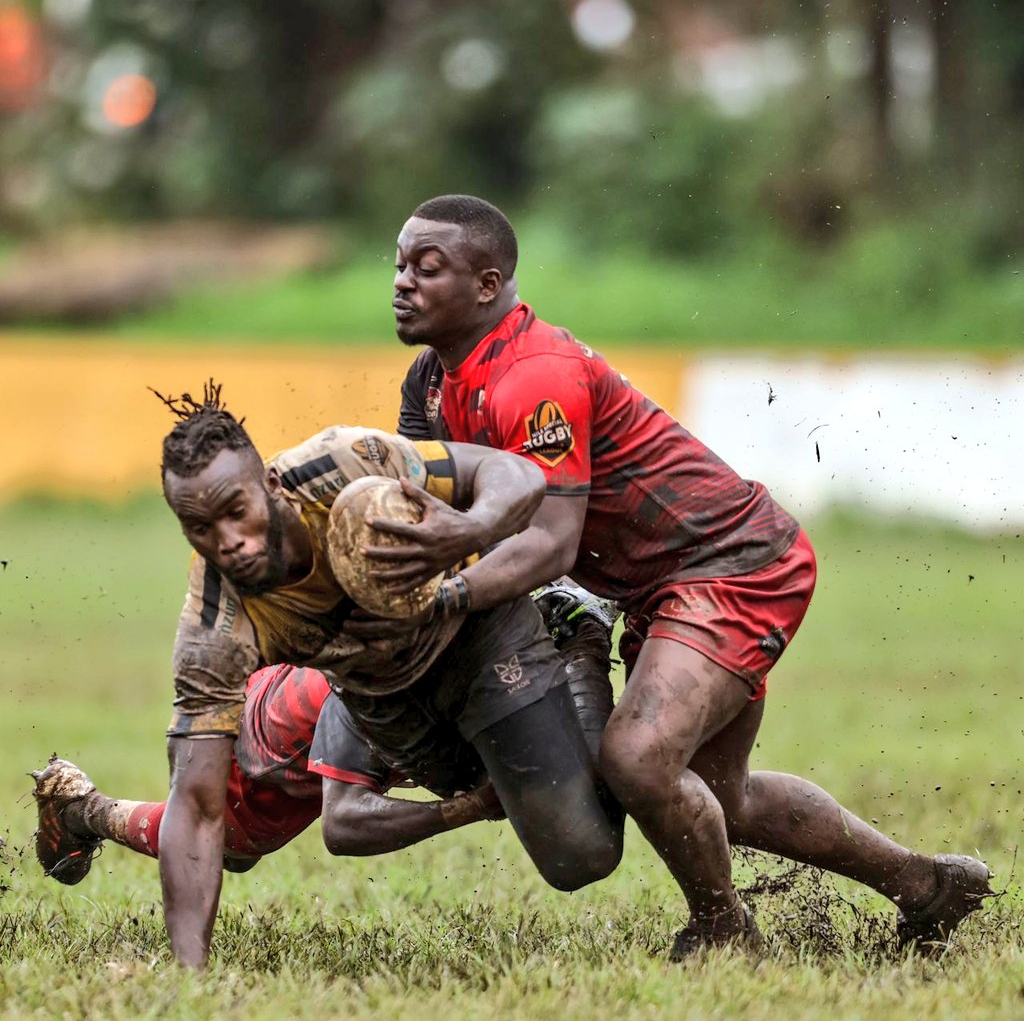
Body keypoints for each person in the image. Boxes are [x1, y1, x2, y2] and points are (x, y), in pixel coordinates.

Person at [368, 193, 992, 957]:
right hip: (664, 586)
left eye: (426, 269)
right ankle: (927, 885)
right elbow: (420, 509)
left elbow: (555, 546)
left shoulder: (534, 377)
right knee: (722, 796)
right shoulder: (430, 382)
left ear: (489, 284)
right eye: (399, 265)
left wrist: (444, 597)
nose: (402, 282)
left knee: (637, 757)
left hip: (732, 565)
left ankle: (724, 931)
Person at [120, 384, 622, 968]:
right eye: (199, 528)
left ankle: (577, 631)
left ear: (272, 487)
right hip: (384, 703)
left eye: (236, 511)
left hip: (479, 632)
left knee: (583, 856)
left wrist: (467, 532)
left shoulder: (345, 466)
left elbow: (514, 473)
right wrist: (190, 975)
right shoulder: (215, 627)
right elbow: (198, 805)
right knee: (501, 800)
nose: (226, 542)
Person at [32, 587, 618, 882]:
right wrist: (470, 807)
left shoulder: (486, 647)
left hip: (312, 705)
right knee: (225, 850)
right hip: (257, 750)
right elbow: (343, 825)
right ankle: (84, 810)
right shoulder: (372, 682)